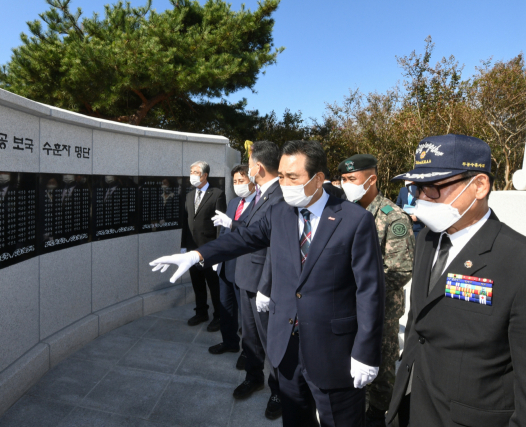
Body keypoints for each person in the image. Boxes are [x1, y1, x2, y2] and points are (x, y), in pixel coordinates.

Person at [151, 140, 385, 427]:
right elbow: (243, 238)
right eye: (282, 177)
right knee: (295, 419)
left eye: (293, 178)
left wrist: (365, 352)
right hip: (285, 346)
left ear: (318, 179)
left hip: (333, 352)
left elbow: (370, 291)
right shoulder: (279, 212)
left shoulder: (354, 220)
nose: (285, 184)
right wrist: (199, 255)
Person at [386, 134, 526, 427]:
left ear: (479, 186)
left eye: (433, 188)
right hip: (414, 404)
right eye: (417, 188)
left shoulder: (517, 259)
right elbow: (418, 322)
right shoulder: (427, 238)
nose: (421, 199)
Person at [339, 154, 415, 427]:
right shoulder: (344, 211)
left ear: (371, 180)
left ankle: (376, 415)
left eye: (351, 179)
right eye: (343, 179)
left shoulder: (392, 217)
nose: (345, 184)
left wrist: (358, 283)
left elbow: (400, 270)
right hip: (347, 306)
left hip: (382, 309)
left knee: (380, 366)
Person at [212, 141, 283, 419]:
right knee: (251, 337)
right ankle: (254, 377)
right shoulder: (262, 194)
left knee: (270, 342)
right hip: (245, 276)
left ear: (259, 167)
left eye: (250, 163)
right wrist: (233, 227)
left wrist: (267, 286)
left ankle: (279, 389)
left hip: (262, 283)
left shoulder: (279, 196)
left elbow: (275, 246)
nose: (247, 168)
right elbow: (253, 230)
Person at [208, 164, 255, 356]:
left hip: (244, 266)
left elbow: (253, 232)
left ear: (252, 181)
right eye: (235, 181)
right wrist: (217, 255)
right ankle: (229, 341)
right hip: (226, 264)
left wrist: (232, 224)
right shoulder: (234, 202)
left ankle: (249, 352)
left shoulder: (260, 204)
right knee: (226, 306)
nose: (238, 185)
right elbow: (224, 231)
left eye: (241, 181)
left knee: (246, 315)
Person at [181, 160, 226, 331]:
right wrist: (183, 246)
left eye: (195, 172)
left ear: (204, 175)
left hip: (210, 249)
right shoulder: (189, 195)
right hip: (192, 249)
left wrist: (219, 250)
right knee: (197, 283)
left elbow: (220, 224)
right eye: (191, 171)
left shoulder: (217, 194)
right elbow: (186, 223)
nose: (191, 175)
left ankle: (219, 316)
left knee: (214, 285)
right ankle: (201, 312)